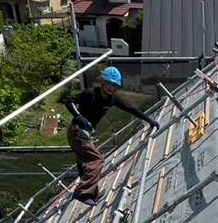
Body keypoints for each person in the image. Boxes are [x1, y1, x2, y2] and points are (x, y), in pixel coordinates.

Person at [63, 66, 159, 205]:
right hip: (77, 132)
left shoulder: (112, 99)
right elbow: (68, 101)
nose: (111, 88)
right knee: (97, 161)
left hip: (85, 135)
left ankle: (92, 193)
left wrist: (149, 120)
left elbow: (131, 108)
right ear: (103, 83)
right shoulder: (90, 93)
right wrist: (78, 117)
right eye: (109, 84)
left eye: (114, 86)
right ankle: (82, 193)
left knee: (84, 164)